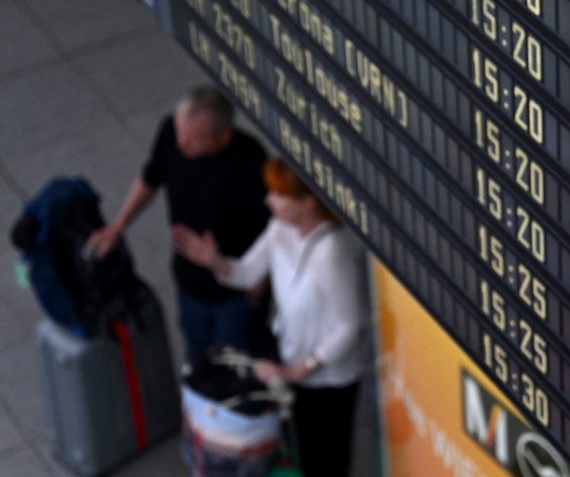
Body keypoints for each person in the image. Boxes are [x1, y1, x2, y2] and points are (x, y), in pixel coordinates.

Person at [172, 158, 367, 477]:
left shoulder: (332, 251)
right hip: (292, 360)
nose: (268, 200)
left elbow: (348, 326)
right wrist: (215, 261)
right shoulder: (281, 228)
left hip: (329, 379)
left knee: (326, 459)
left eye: (277, 194)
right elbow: (249, 271)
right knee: (298, 449)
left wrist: (298, 371)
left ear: (306, 203)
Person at [86, 86, 270, 362]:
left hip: (235, 296)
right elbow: (150, 178)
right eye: (179, 132)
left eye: (193, 139)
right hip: (189, 286)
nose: (181, 144)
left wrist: (245, 276)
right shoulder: (172, 133)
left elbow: (273, 234)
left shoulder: (251, 163)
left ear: (223, 137)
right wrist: (117, 226)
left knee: (235, 370)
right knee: (196, 361)